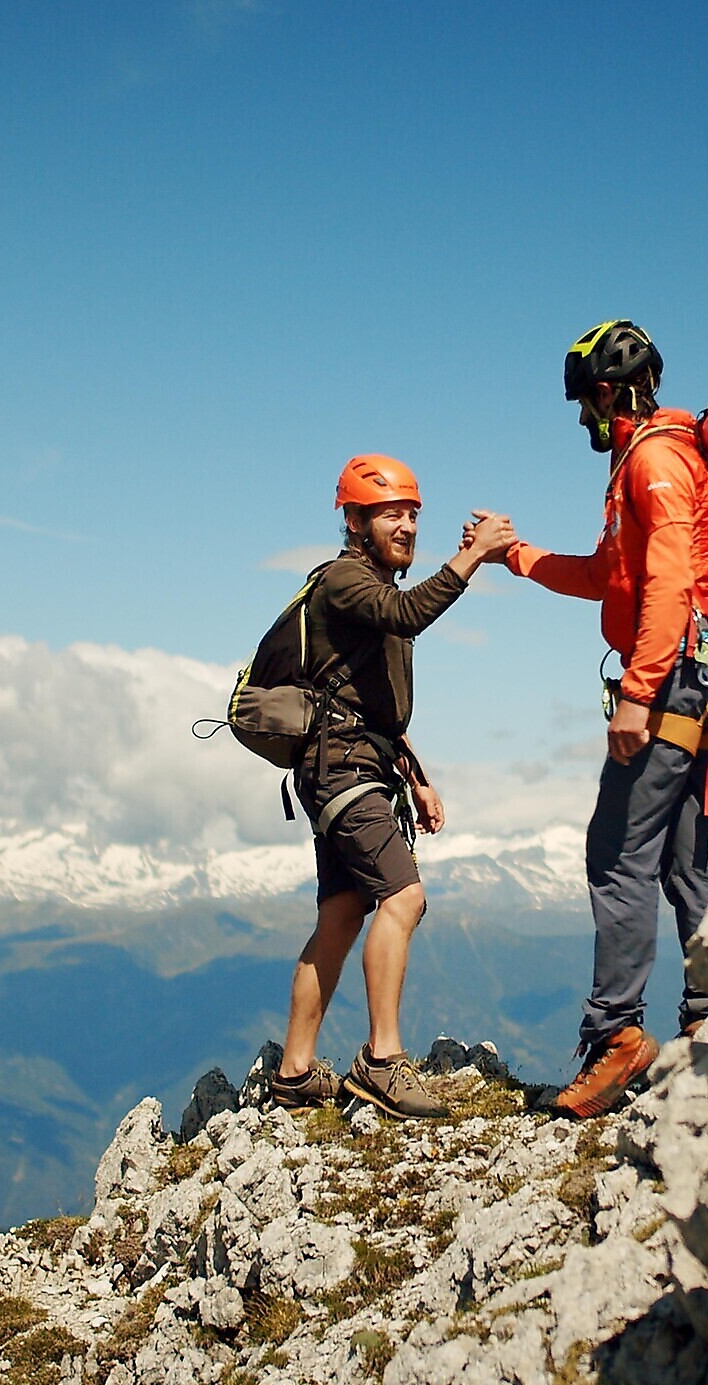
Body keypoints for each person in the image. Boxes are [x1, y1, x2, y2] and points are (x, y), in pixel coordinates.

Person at [475, 320, 708, 1119]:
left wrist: (639, 691)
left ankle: (619, 1037)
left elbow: (670, 581)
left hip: (671, 681)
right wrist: (513, 556)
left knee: (616, 852)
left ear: (608, 391)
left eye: (584, 400)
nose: (581, 416)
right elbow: (610, 578)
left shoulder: (652, 461)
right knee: (688, 858)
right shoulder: (649, 458)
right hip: (696, 684)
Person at [271, 454, 517, 1120]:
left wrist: (416, 777)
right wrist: (472, 561)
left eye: (412, 513)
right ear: (355, 520)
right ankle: (382, 1060)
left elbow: (369, 703)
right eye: (390, 513)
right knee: (404, 898)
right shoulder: (349, 581)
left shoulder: (368, 587)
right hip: (343, 768)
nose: (406, 524)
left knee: (344, 912)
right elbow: (407, 614)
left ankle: (294, 1074)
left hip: (349, 764)